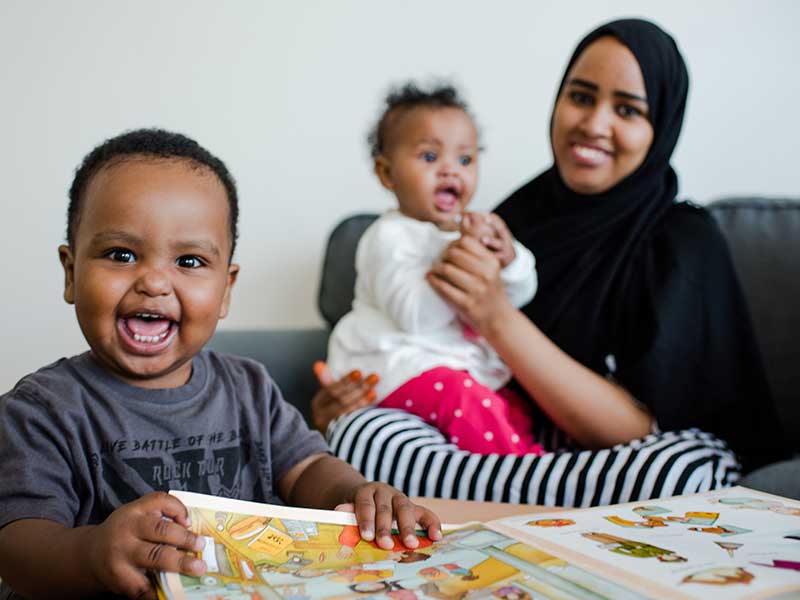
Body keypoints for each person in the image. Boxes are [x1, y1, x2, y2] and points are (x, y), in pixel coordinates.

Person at [312, 19, 787, 506]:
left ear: (660, 126)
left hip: (603, 458)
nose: (594, 124)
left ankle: (507, 501)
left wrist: (495, 316)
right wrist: (339, 412)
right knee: (363, 435)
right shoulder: (514, 218)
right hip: (486, 445)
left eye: (627, 109)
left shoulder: (680, 241)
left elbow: (651, 431)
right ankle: (529, 505)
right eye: (581, 97)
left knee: (687, 471)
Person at [0, 129, 441, 600]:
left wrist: (357, 493)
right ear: (71, 273)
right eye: (121, 255)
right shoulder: (40, 411)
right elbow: (17, 547)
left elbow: (308, 466)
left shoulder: (248, 387)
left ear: (226, 288)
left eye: (189, 261)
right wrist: (92, 554)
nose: (154, 282)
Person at [326, 82, 543, 456]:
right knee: (464, 399)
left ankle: (528, 460)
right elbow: (415, 317)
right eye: (429, 157)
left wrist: (509, 259)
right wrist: (456, 258)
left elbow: (520, 294)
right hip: (402, 369)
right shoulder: (390, 237)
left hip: (460, 370)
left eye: (465, 160)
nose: (450, 170)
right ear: (387, 173)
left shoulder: (469, 230)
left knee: (517, 405)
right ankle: (523, 471)